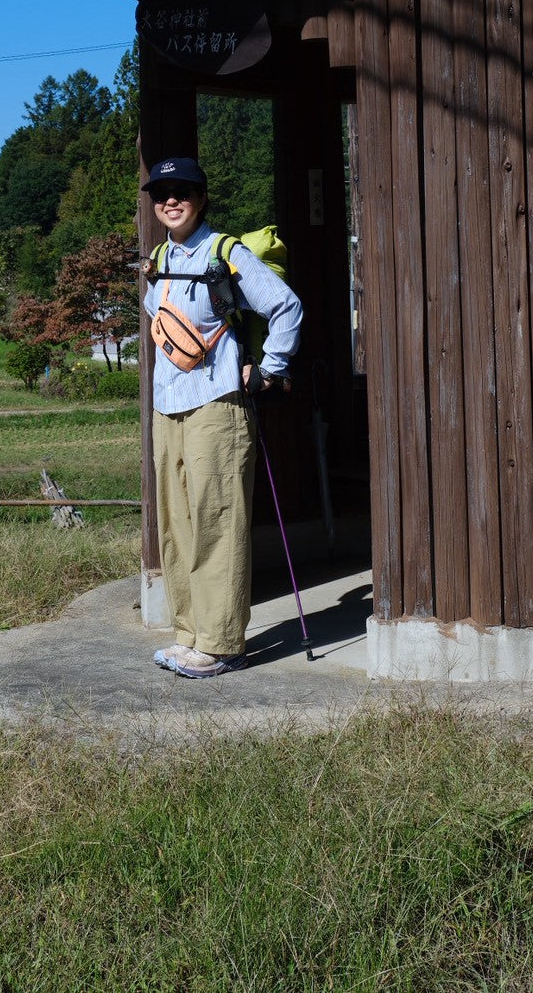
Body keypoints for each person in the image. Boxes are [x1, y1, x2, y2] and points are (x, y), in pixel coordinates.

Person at [141, 156, 303, 678]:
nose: (171, 199)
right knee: (178, 525)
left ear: (201, 197)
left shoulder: (224, 252)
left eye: (182, 190)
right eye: (161, 192)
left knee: (216, 522)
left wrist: (269, 367)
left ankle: (223, 642)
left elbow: (285, 306)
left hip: (217, 406)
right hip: (168, 408)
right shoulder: (159, 258)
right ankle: (191, 633)